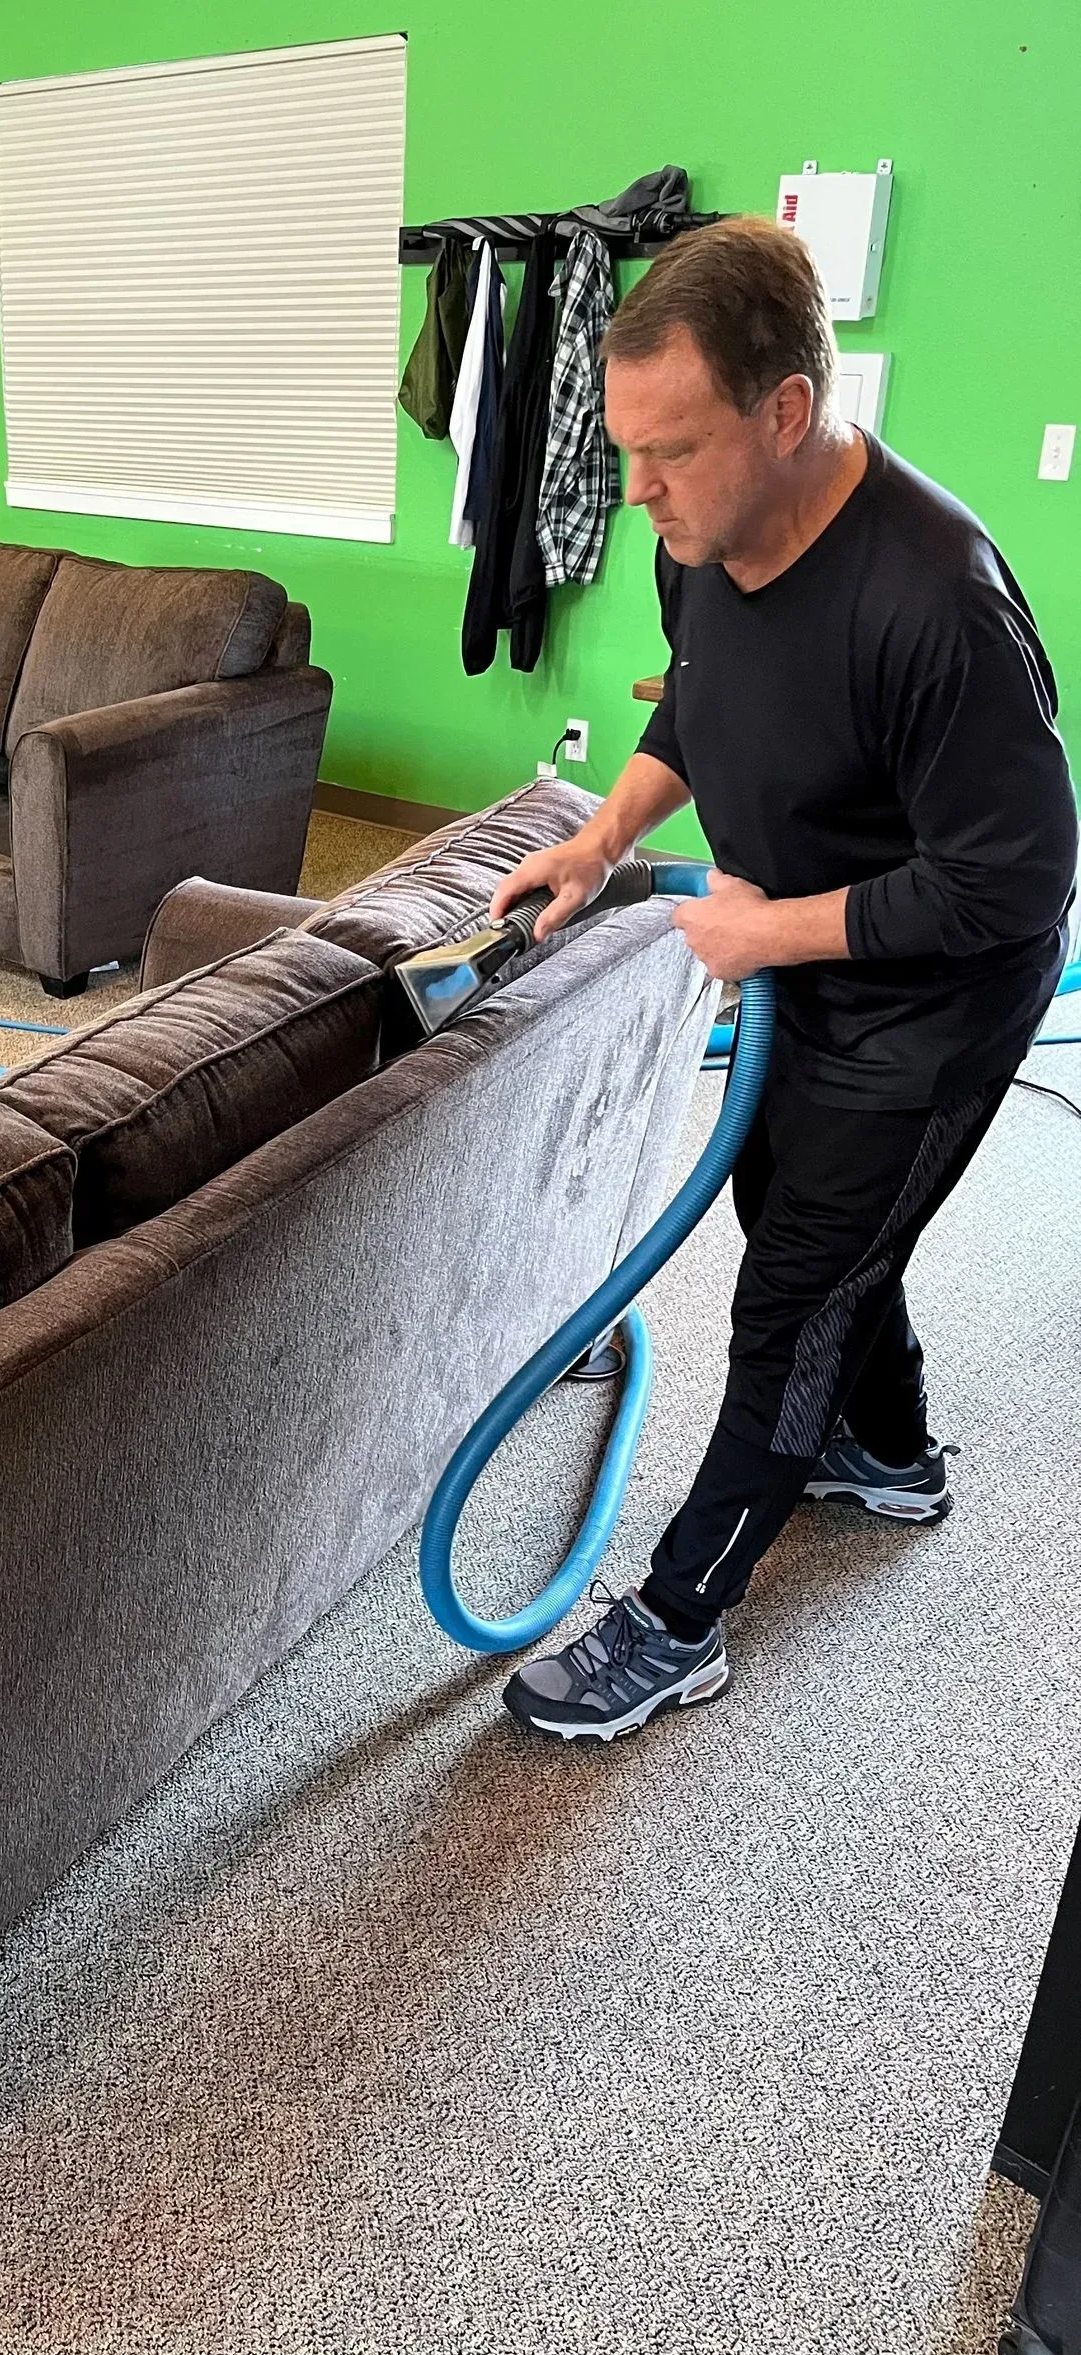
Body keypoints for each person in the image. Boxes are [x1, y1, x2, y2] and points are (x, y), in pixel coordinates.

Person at [493, 216, 1076, 1744]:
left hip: (940, 999)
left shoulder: (934, 599)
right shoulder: (710, 537)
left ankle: (679, 1622)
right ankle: (889, 1454)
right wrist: (608, 833)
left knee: (791, 1288)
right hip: (810, 949)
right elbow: (701, 700)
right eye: (626, 452)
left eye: (668, 451)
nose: (637, 493)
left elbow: (1016, 882)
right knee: (798, 1218)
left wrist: (766, 935)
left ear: (784, 412)